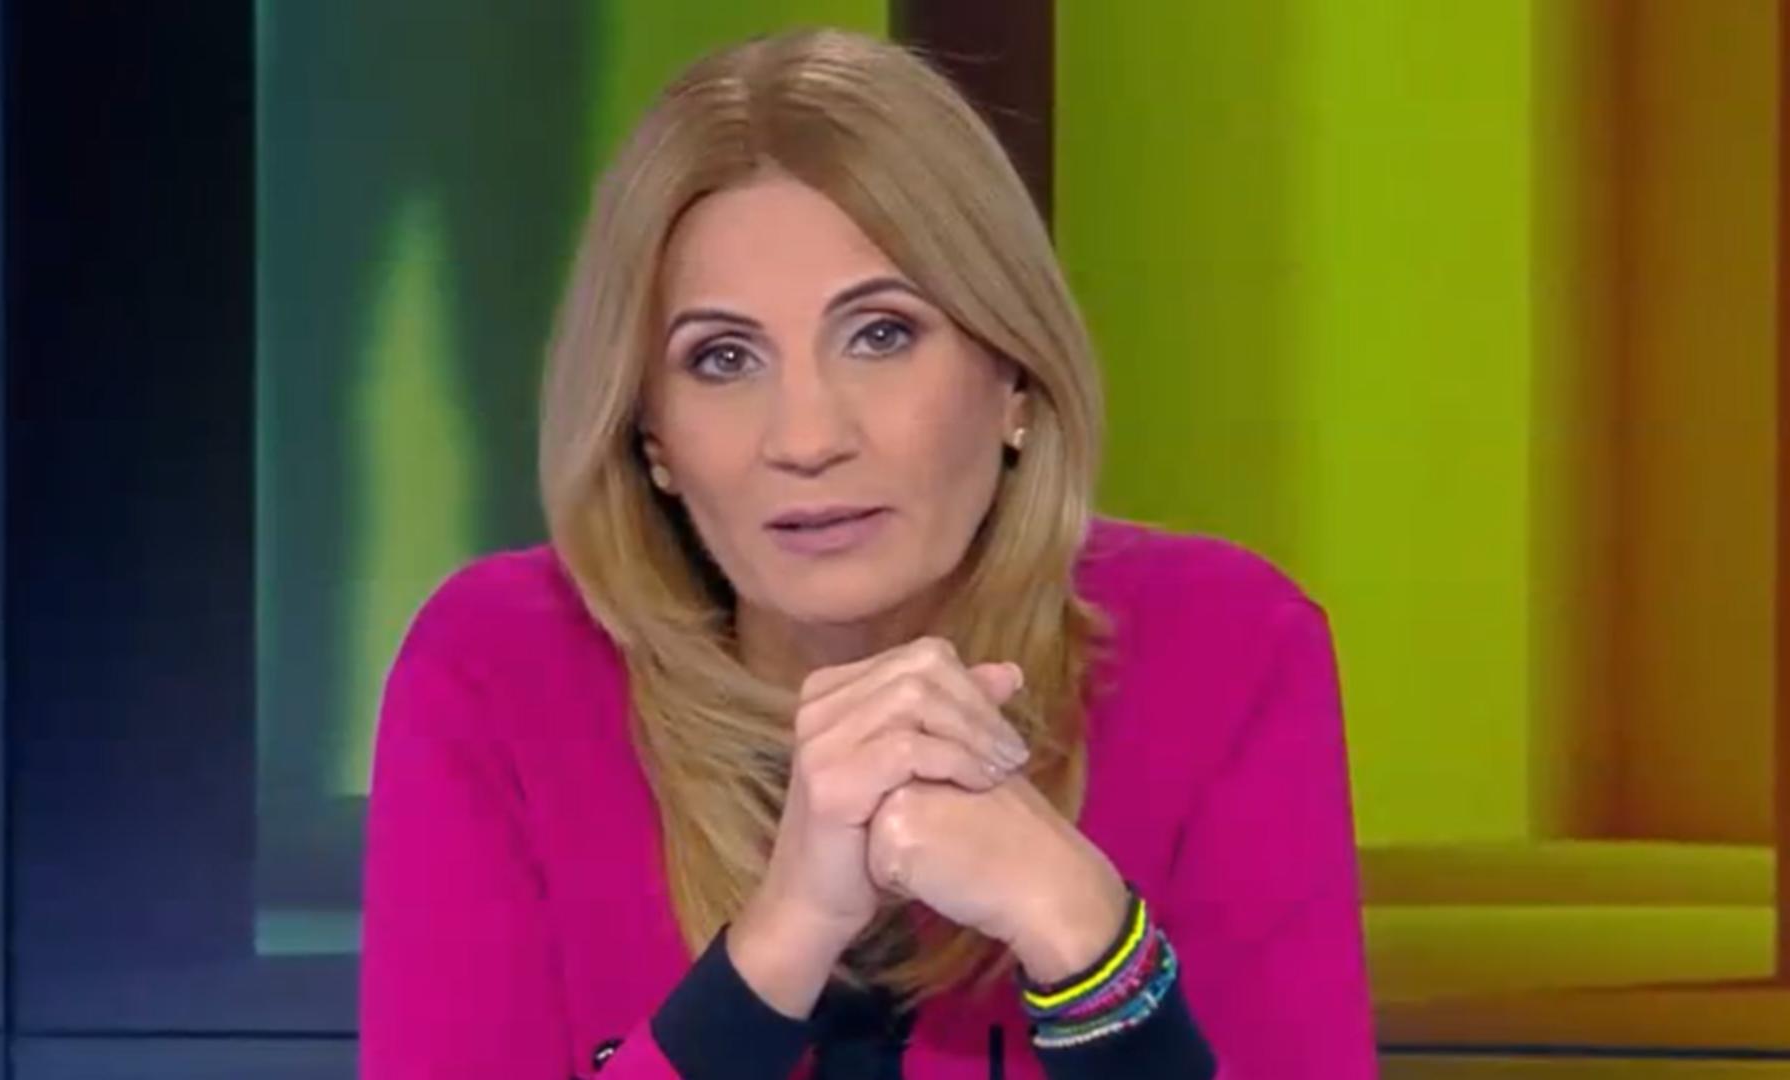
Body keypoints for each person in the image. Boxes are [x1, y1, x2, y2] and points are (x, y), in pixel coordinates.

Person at [360, 26, 1375, 1080]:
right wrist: (785, 939)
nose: (806, 438)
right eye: (723, 358)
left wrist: (1090, 946)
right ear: (650, 434)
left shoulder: (1226, 652)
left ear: (1014, 378)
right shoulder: (499, 673)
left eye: (881, 334)